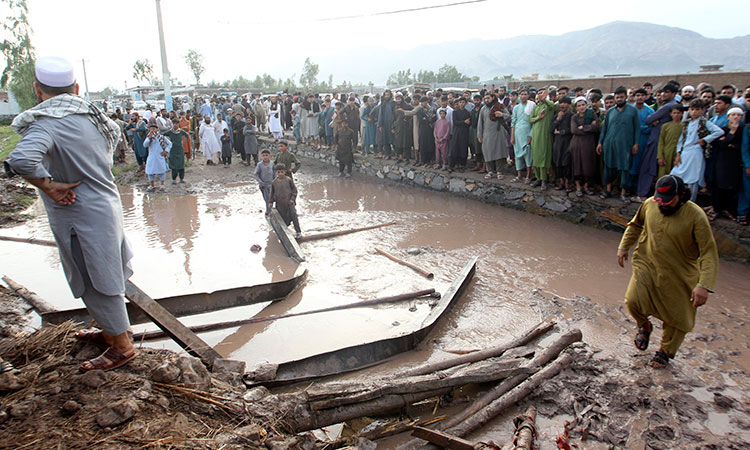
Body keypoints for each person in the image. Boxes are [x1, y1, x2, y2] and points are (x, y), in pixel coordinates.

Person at [4, 56, 135, 372]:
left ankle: (122, 347)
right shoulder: (95, 116)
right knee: (107, 273)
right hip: (106, 204)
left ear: (37, 90)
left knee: (96, 280)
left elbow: (21, 159)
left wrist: (48, 185)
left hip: (80, 213)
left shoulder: (47, 124)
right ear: (76, 88)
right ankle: (111, 330)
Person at [617, 174, 718, 369]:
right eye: (659, 200)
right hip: (647, 263)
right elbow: (636, 225)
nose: (662, 205)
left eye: (668, 201)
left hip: (680, 273)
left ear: (681, 196)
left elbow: (708, 252)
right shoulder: (649, 205)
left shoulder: (696, 216)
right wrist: (624, 246)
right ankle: (644, 325)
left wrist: (704, 285)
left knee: (678, 318)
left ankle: (665, 351)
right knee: (632, 300)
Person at [671, 99, 724, 202]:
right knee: (676, 175)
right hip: (685, 152)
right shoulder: (686, 123)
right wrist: (678, 153)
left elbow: (719, 131)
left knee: (693, 179)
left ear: (702, 110)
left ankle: (691, 201)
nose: (694, 112)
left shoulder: (704, 122)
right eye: (692, 109)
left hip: (696, 152)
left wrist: (705, 140)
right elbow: (681, 139)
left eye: (697, 109)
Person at [597, 86, 641, 203]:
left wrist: (636, 144)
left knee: (624, 168)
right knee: (609, 167)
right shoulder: (611, 111)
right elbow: (604, 129)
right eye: (617, 97)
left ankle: (623, 193)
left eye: (622, 97)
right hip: (609, 144)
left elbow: (637, 128)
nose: (619, 99)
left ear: (626, 97)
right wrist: (600, 143)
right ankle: (608, 190)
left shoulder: (632, 111)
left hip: (625, 145)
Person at [706, 107, 745, 221]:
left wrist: (731, 144)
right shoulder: (723, 130)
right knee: (720, 185)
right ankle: (717, 208)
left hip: (735, 162)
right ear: (728, 117)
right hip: (722, 162)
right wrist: (731, 134)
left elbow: (741, 146)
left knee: (733, 186)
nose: (736, 117)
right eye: (733, 115)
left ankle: (729, 209)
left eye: (738, 115)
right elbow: (720, 145)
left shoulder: (743, 130)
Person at [569, 97, 600, 197]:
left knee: (588, 165)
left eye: (583, 105)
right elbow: (574, 130)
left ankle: (586, 186)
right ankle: (578, 187)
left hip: (589, 144)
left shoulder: (591, 115)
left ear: (586, 105)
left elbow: (596, 127)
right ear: (576, 107)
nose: (581, 107)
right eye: (579, 105)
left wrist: (583, 127)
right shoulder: (574, 117)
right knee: (577, 165)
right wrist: (589, 128)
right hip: (577, 144)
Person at [477, 93, 511, 179]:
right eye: (485, 99)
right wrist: (479, 135)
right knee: (487, 152)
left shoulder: (500, 106)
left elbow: (509, 116)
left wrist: (502, 115)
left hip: (499, 133)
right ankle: (490, 171)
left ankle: (499, 172)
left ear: (493, 97)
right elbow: (480, 123)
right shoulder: (483, 109)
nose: (486, 100)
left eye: (488, 98)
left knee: (499, 152)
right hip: (487, 134)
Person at [530, 87, 558, 190]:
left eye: (542, 93)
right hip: (536, 135)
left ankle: (544, 180)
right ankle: (538, 178)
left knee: (544, 159)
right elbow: (530, 119)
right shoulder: (537, 107)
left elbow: (553, 107)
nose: (540, 95)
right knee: (536, 159)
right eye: (538, 93)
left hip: (545, 136)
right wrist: (538, 118)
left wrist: (545, 99)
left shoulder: (549, 105)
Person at [269, 163, 302, 237]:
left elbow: (294, 191)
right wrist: (271, 202)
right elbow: (272, 193)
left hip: (290, 203)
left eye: (282, 172)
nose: (280, 174)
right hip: (280, 204)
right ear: (275, 172)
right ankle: (285, 233)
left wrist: (292, 199)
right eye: (278, 172)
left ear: (285, 171)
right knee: (282, 219)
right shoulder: (274, 182)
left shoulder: (288, 180)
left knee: (294, 217)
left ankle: (298, 232)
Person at [510, 89, 534, 183]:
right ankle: (519, 175)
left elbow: (533, 122)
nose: (523, 96)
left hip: (527, 132)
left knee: (528, 154)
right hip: (517, 133)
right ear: (519, 96)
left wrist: (531, 135)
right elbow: (513, 122)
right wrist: (512, 136)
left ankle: (528, 176)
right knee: (517, 155)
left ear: (528, 95)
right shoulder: (516, 108)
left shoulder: (532, 105)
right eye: (522, 94)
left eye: (525, 94)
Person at [550, 97, 573, 191]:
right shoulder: (556, 116)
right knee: (558, 163)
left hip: (568, 142)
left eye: (564, 103)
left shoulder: (572, 116)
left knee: (566, 163)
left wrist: (561, 132)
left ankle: (568, 184)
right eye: (561, 103)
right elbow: (551, 129)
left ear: (569, 104)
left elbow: (572, 129)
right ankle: (561, 183)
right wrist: (558, 120)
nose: (562, 105)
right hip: (558, 143)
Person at [657, 106, 684, 179]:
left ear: (682, 114)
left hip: (678, 154)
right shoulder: (665, 126)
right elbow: (661, 142)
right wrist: (660, 156)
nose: (676, 115)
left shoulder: (684, 126)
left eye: (678, 113)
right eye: (674, 113)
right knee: (663, 175)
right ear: (671, 114)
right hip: (666, 153)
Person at [143, 124, 171, 190]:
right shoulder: (149, 138)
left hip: (159, 156)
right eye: (151, 129)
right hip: (152, 157)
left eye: (154, 128)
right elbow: (145, 145)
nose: (152, 130)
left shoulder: (162, 137)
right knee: (150, 172)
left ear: (157, 129)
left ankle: (162, 185)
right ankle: (152, 185)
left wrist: (166, 151)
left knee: (161, 171)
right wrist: (149, 139)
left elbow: (170, 144)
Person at [162, 119, 188, 183]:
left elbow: (187, 135)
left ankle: (181, 178)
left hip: (180, 150)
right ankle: (174, 179)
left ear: (178, 124)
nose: (175, 125)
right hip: (173, 150)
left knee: (181, 165)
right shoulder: (170, 132)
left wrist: (184, 141)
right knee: (174, 166)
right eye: (174, 123)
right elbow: (163, 135)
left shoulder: (181, 131)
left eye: (176, 123)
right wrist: (168, 143)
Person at [449, 97, 471, 171]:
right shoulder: (455, 112)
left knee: (463, 148)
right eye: (460, 102)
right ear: (458, 103)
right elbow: (455, 122)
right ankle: (453, 164)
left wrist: (464, 122)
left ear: (466, 103)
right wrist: (463, 122)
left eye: (463, 102)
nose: (462, 104)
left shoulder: (467, 112)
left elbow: (468, 123)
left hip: (464, 132)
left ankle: (462, 165)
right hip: (457, 132)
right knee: (455, 148)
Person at [255, 149, 274, 215]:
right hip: (264, 185)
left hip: (271, 184)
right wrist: (260, 182)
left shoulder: (272, 163)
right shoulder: (259, 165)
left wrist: (275, 181)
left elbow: (275, 173)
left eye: (266, 155)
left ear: (270, 156)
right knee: (266, 198)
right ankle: (268, 210)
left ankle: (271, 210)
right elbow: (256, 174)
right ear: (261, 156)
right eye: (263, 155)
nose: (265, 157)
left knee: (272, 198)